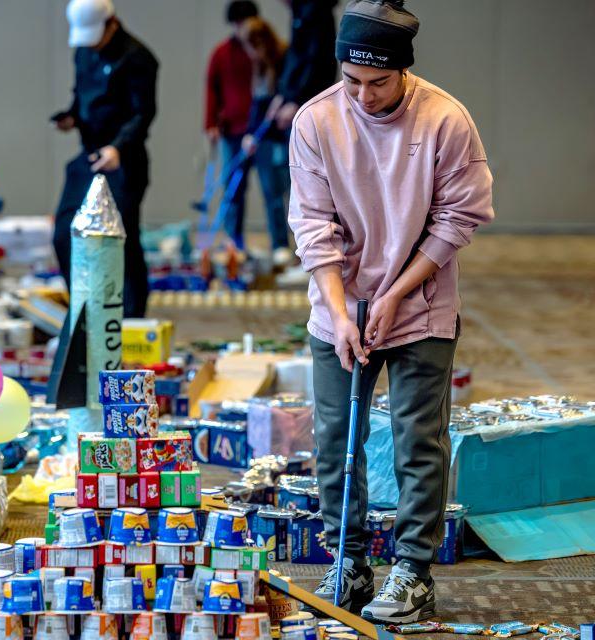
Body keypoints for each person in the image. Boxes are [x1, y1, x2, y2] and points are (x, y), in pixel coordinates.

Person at [288, 0, 494, 624]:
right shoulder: (316, 121)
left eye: (378, 82)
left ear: (404, 70)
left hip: (421, 305)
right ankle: (348, 560)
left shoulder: (445, 119)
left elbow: (460, 217)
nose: (363, 95)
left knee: (417, 440)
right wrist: (339, 312)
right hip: (339, 306)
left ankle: (413, 571)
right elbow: (313, 227)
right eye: (351, 79)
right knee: (334, 439)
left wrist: (396, 293)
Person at [53, 0, 158, 319]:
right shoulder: (84, 52)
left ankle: (130, 316)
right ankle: (84, 308)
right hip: (89, 155)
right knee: (65, 232)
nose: (92, 44)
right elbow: (80, 96)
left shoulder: (138, 57)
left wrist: (119, 147)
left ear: (112, 24)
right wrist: (71, 117)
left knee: (121, 239)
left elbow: (143, 113)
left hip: (123, 159)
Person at [237, 17, 294, 265]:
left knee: (294, 193)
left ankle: (303, 246)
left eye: (252, 46)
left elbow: (293, 93)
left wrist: (282, 104)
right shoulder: (259, 68)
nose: (250, 53)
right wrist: (250, 134)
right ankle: (279, 244)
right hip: (266, 142)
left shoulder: (286, 59)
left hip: (288, 137)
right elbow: (257, 106)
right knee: (271, 194)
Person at [203, 1, 258, 251]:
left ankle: (280, 244)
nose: (241, 27)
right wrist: (211, 123)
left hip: (261, 133)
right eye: (237, 23)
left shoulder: (261, 51)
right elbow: (211, 89)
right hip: (232, 131)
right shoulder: (221, 53)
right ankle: (233, 241)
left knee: (272, 189)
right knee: (233, 189)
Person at [270, 0, 339, 130]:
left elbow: (318, 62)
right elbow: (294, 58)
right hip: (296, 98)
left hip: (309, 100)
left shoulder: (316, 11)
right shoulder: (298, 11)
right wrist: (282, 94)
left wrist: (297, 101)